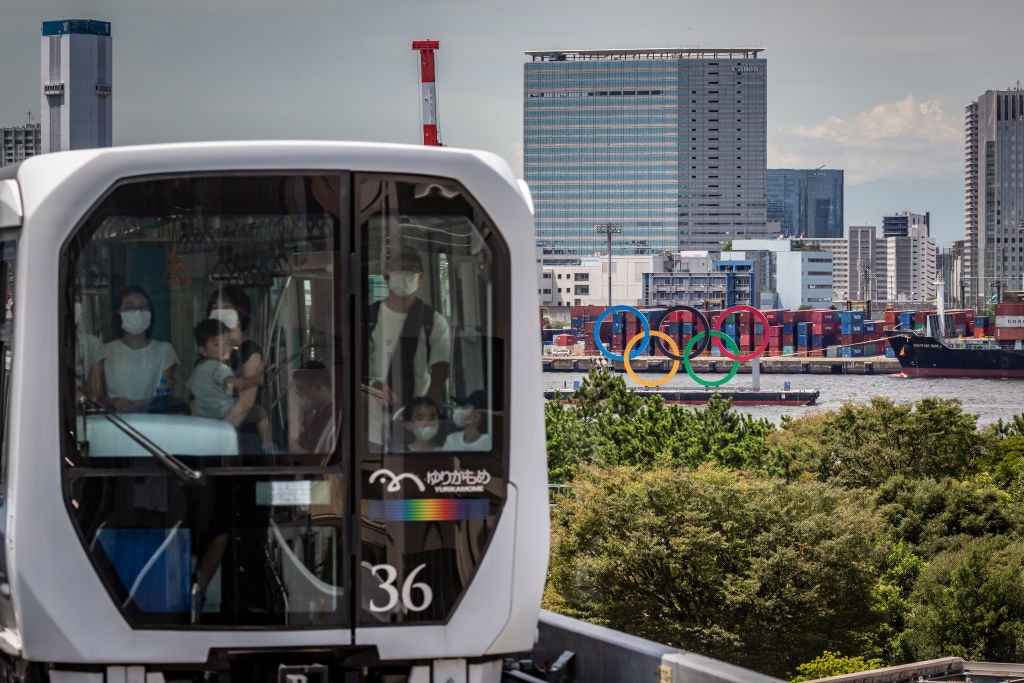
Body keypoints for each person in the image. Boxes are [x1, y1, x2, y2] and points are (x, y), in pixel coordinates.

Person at [366, 245, 451, 450]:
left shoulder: (433, 321)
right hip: (374, 422)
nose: (404, 275)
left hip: (416, 422)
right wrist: (372, 384)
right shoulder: (367, 318)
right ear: (386, 276)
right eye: (397, 268)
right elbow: (358, 363)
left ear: (420, 277)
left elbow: (441, 362)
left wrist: (430, 400)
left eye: (411, 269)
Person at [183, 320, 273, 455]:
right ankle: (269, 446)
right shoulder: (218, 367)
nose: (224, 348)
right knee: (260, 413)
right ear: (203, 351)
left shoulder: (199, 368)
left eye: (227, 344)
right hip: (222, 411)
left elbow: (186, 394)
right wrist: (257, 379)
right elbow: (238, 383)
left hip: (205, 415)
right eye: (216, 344)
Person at [206, 285, 276, 454]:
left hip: (242, 437)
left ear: (240, 312)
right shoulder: (210, 351)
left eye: (227, 307)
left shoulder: (250, 351)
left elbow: (245, 404)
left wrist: (216, 435)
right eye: (215, 308)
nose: (219, 312)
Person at [89, 286, 179, 412]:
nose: (137, 312)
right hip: (116, 423)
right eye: (130, 307)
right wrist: (114, 402)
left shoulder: (165, 350)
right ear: (119, 313)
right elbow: (94, 396)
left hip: (153, 422)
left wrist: (142, 404)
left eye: (143, 307)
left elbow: (167, 395)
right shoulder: (104, 351)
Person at [289, 361, 338, 457]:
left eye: (301, 391)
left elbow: (325, 461)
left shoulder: (332, 420)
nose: (299, 397)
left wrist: (295, 449)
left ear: (316, 389)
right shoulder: (318, 413)